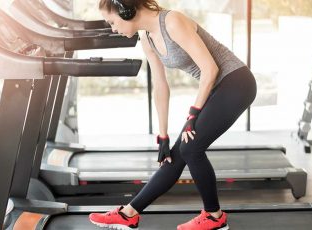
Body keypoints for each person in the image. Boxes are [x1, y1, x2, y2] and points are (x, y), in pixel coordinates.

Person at [89, 0, 257, 229]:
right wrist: (163, 135)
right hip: (217, 88)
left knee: (191, 148)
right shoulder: (147, 39)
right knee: (174, 157)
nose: (113, 28)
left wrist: (192, 115)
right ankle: (129, 214)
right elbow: (160, 85)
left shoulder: (172, 22)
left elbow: (211, 69)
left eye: (111, 21)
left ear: (125, 10)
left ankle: (214, 217)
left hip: (237, 82)